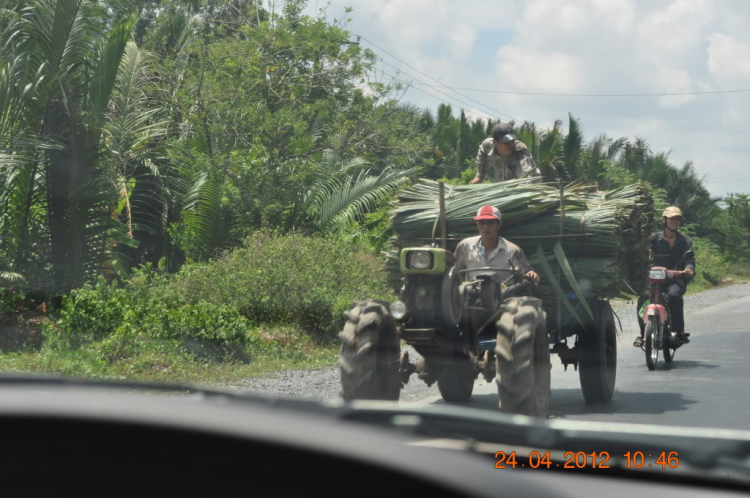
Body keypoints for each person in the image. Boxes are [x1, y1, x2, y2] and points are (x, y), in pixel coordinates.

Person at [633, 206, 695, 347]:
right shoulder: (653, 239)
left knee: (674, 296)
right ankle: (643, 333)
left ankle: (679, 330)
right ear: (664, 220)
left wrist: (688, 269)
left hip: (676, 279)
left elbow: (689, 259)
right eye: (672, 219)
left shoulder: (685, 240)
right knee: (643, 297)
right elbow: (642, 256)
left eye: (677, 219)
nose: (675, 222)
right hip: (653, 279)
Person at [453, 205, 540, 286]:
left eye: (490, 223)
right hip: (472, 296)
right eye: (482, 222)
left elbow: (527, 275)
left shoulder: (512, 250)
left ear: (499, 225)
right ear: (477, 225)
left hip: (504, 298)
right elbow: (454, 273)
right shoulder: (465, 246)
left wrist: (532, 275)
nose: (486, 227)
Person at [470, 123, 541, 184]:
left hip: (528, 186)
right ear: (495, 142)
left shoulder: (520, 150)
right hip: (502, 186)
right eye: (506, 142)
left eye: (512, 141)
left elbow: (525, 179)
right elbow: (482, 153)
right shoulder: (487, 145)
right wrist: (479, 176)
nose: (510, 144)